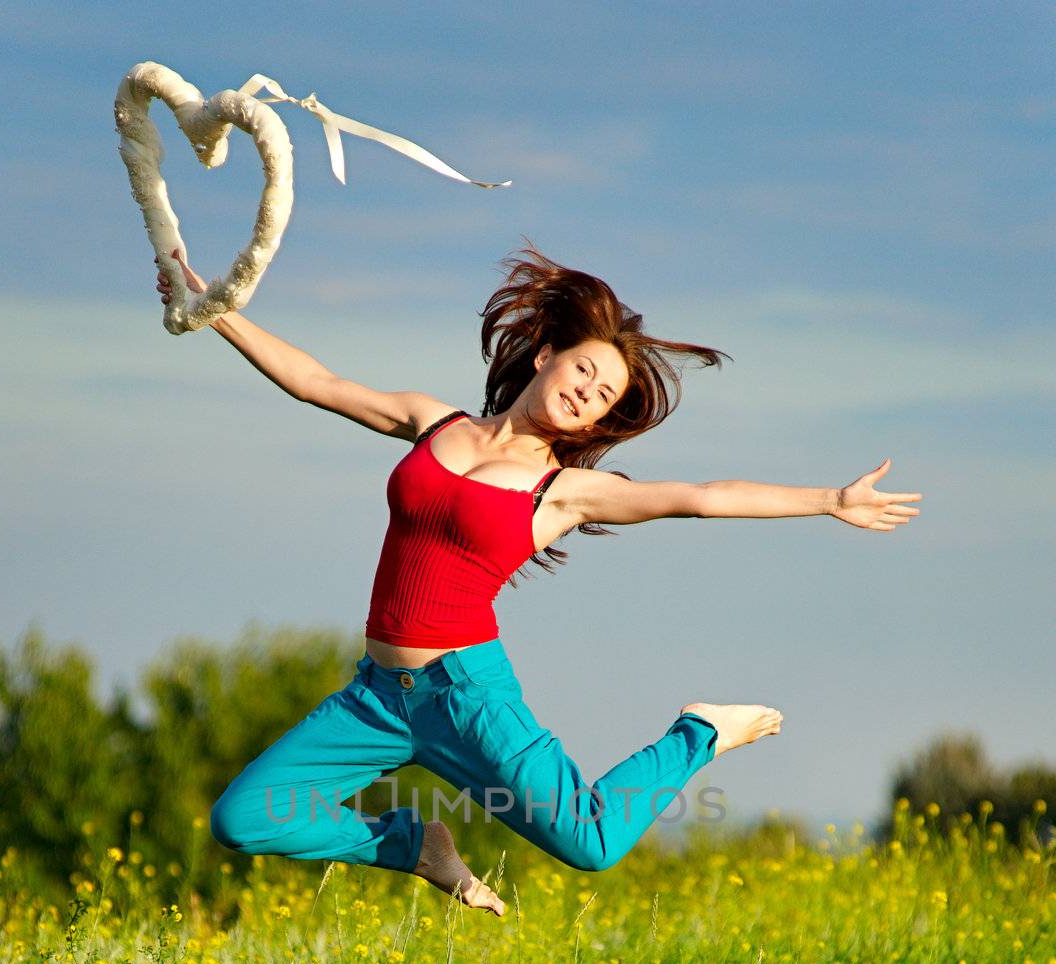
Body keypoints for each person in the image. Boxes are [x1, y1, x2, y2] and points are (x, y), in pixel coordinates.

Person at [154, 242, 920, 917]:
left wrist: (830, 501)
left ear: (596, 426)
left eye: (604, 397)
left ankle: (701, 732)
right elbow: (315, 381)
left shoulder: (563, 494)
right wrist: (212, 309)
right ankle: (411, 846)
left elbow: (703, 496)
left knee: (588, 841)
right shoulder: (436, 424)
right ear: (547, 352)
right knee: (246, 817)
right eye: (586, 368)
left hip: (468, 697)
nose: (588, 391)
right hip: (378, 698)